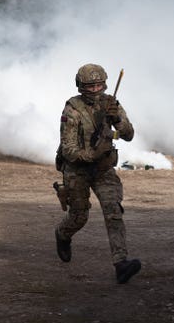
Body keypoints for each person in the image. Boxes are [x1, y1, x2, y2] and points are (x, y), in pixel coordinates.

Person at [54, 63, 141, 284]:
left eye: (99, 85)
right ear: (80, 86)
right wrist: (92, 154)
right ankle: (62, 235)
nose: (95, 90)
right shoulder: (72, 110)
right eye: (90, 86)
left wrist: (118, 121)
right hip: (77, 171)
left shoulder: (111, 104)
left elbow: (129, 134)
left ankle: (121, 264)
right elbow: (69, 151)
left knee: (113, 211)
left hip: (103, 170)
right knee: (79, 217)